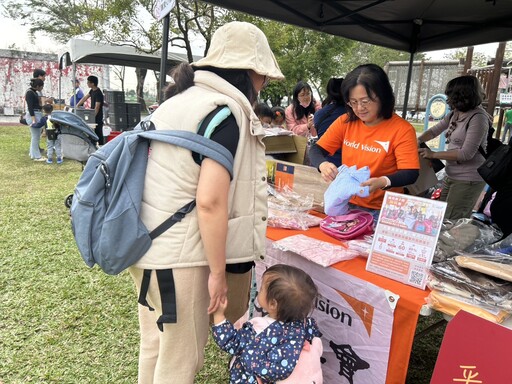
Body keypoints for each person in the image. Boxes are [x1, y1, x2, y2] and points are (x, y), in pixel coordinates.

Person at [127, 21, 284, 384]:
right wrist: (218, 275)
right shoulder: (225, 112)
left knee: (156, 344)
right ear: (251, 72)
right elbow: (211, 202)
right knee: (181, 362)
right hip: (179, 257)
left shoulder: (177, 101)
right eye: (262, 77)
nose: (263, 86)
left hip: (144, 242)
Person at [309, 64, 420, 220]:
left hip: (384, 210)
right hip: (346, 205)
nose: (359, 108)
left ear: (382, 96)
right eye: (353, 102)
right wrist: (323, 165)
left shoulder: (402, 129)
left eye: (365, 101)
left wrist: (382, 181)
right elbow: (316, 150)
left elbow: (410, 173)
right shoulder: (346, 122)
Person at [212, 264, 321, 384]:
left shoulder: (258, 329)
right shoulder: (306, 325)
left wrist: (219, 316)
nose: (260, 289)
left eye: (263, 288)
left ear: (273, 304)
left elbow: (232, 342)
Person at [417, 75, 490, 220]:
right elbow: (433, 131)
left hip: (468, 178)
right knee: (441, 217)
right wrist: (417, 140)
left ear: (464, 96)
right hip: (451, 175)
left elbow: (465, 154)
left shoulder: (478, 118)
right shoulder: (455, 113)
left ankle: (451, 244)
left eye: (452, 96)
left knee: (453, 221)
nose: (449, 100)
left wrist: (433, 154)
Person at [313, 77, 347, 167]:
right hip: (345, 165)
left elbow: (315, 149)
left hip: (325, 163)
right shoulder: (350, 116)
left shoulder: (319, 114)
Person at [76, 75, 105, 145]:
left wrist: (92, 117)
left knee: (98, 132)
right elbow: (85, 97)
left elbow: (97, 107)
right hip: (92, 114)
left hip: (97, 116)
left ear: (93, 83)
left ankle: (101, 146)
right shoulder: (92, 90)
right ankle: (93, 145)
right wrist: (77, 105)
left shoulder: (98, 93)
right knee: (92, 132)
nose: (87, 84)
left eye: (88, 82)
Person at [25, 78, 46, 161]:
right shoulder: (30, 93)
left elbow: (36, 105)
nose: (42, 88)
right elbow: (30, 107)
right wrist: (33, 120)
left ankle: (32, 153)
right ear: (37, 86)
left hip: (36, 113)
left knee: (35, 136)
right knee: (36, 136)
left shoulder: (34, 92)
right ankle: (36, 156)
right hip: (33, 115)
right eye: (41, 87)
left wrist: (43, 107)